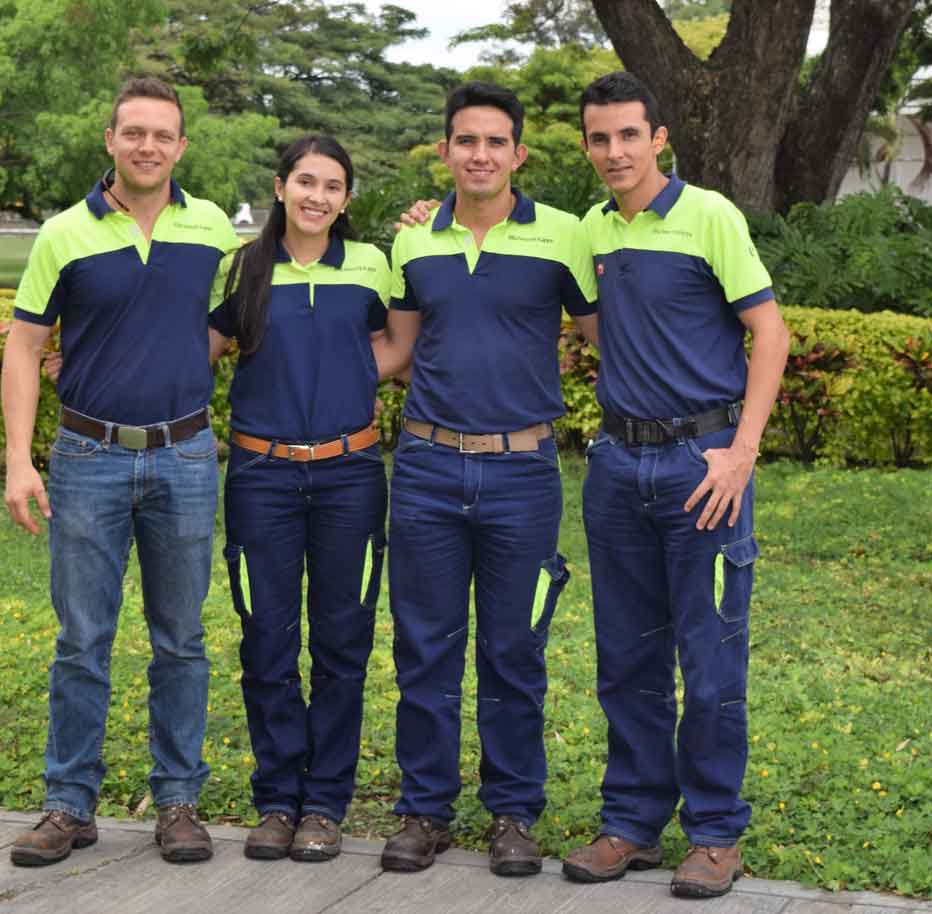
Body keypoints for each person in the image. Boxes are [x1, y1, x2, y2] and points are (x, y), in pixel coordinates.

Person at [560, 71, 790, 898]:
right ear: (586, 146)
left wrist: (742, 451)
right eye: (599, 137)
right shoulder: (586, 231)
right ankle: (631, 823)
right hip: (617, 467)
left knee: (712, 657)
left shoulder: (710, 215)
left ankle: (717, 834)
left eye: (629, 134)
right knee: (626, 660)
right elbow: (591, 323)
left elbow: (769, 331)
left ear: (659, 138)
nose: (614, 151)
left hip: (706, 467)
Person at [1, 77, 237, 867]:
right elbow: (26, 347)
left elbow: (249, 306)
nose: (148, 146)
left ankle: (177, 801)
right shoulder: (64, 233)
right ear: (110, 140)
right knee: (82, 640)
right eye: (133, 132)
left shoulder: (210, 227)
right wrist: (17, 460)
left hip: (187, 456)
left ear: (180, 146)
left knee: (181, 640)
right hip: (86, 458)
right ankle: (69, 805)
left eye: (162, 135)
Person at [372, 81, 599, 877]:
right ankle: (425, 810)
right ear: (445, 151)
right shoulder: (413, 243)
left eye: (495, 142)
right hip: (428, 466)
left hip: (523, 470)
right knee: (424, 647)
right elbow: (394, 355)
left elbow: (610, 334)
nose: (479, 154)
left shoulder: (565, 237)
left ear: (518, 154)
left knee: (514, 650)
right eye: (465, 140)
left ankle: (512, 813)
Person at [209, 135, 391, 863]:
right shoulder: (241, 267)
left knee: (344, 642)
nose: (318, 196)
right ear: (280, 186)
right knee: (267, 640)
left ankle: (325, 804)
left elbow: (398, 346)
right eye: (306, 182)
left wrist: (344, 379)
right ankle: (278, 799)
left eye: (333, 186)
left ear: (347, 199)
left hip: (351, 477)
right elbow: (199, 350)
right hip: (261, 478)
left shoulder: (374, 263)